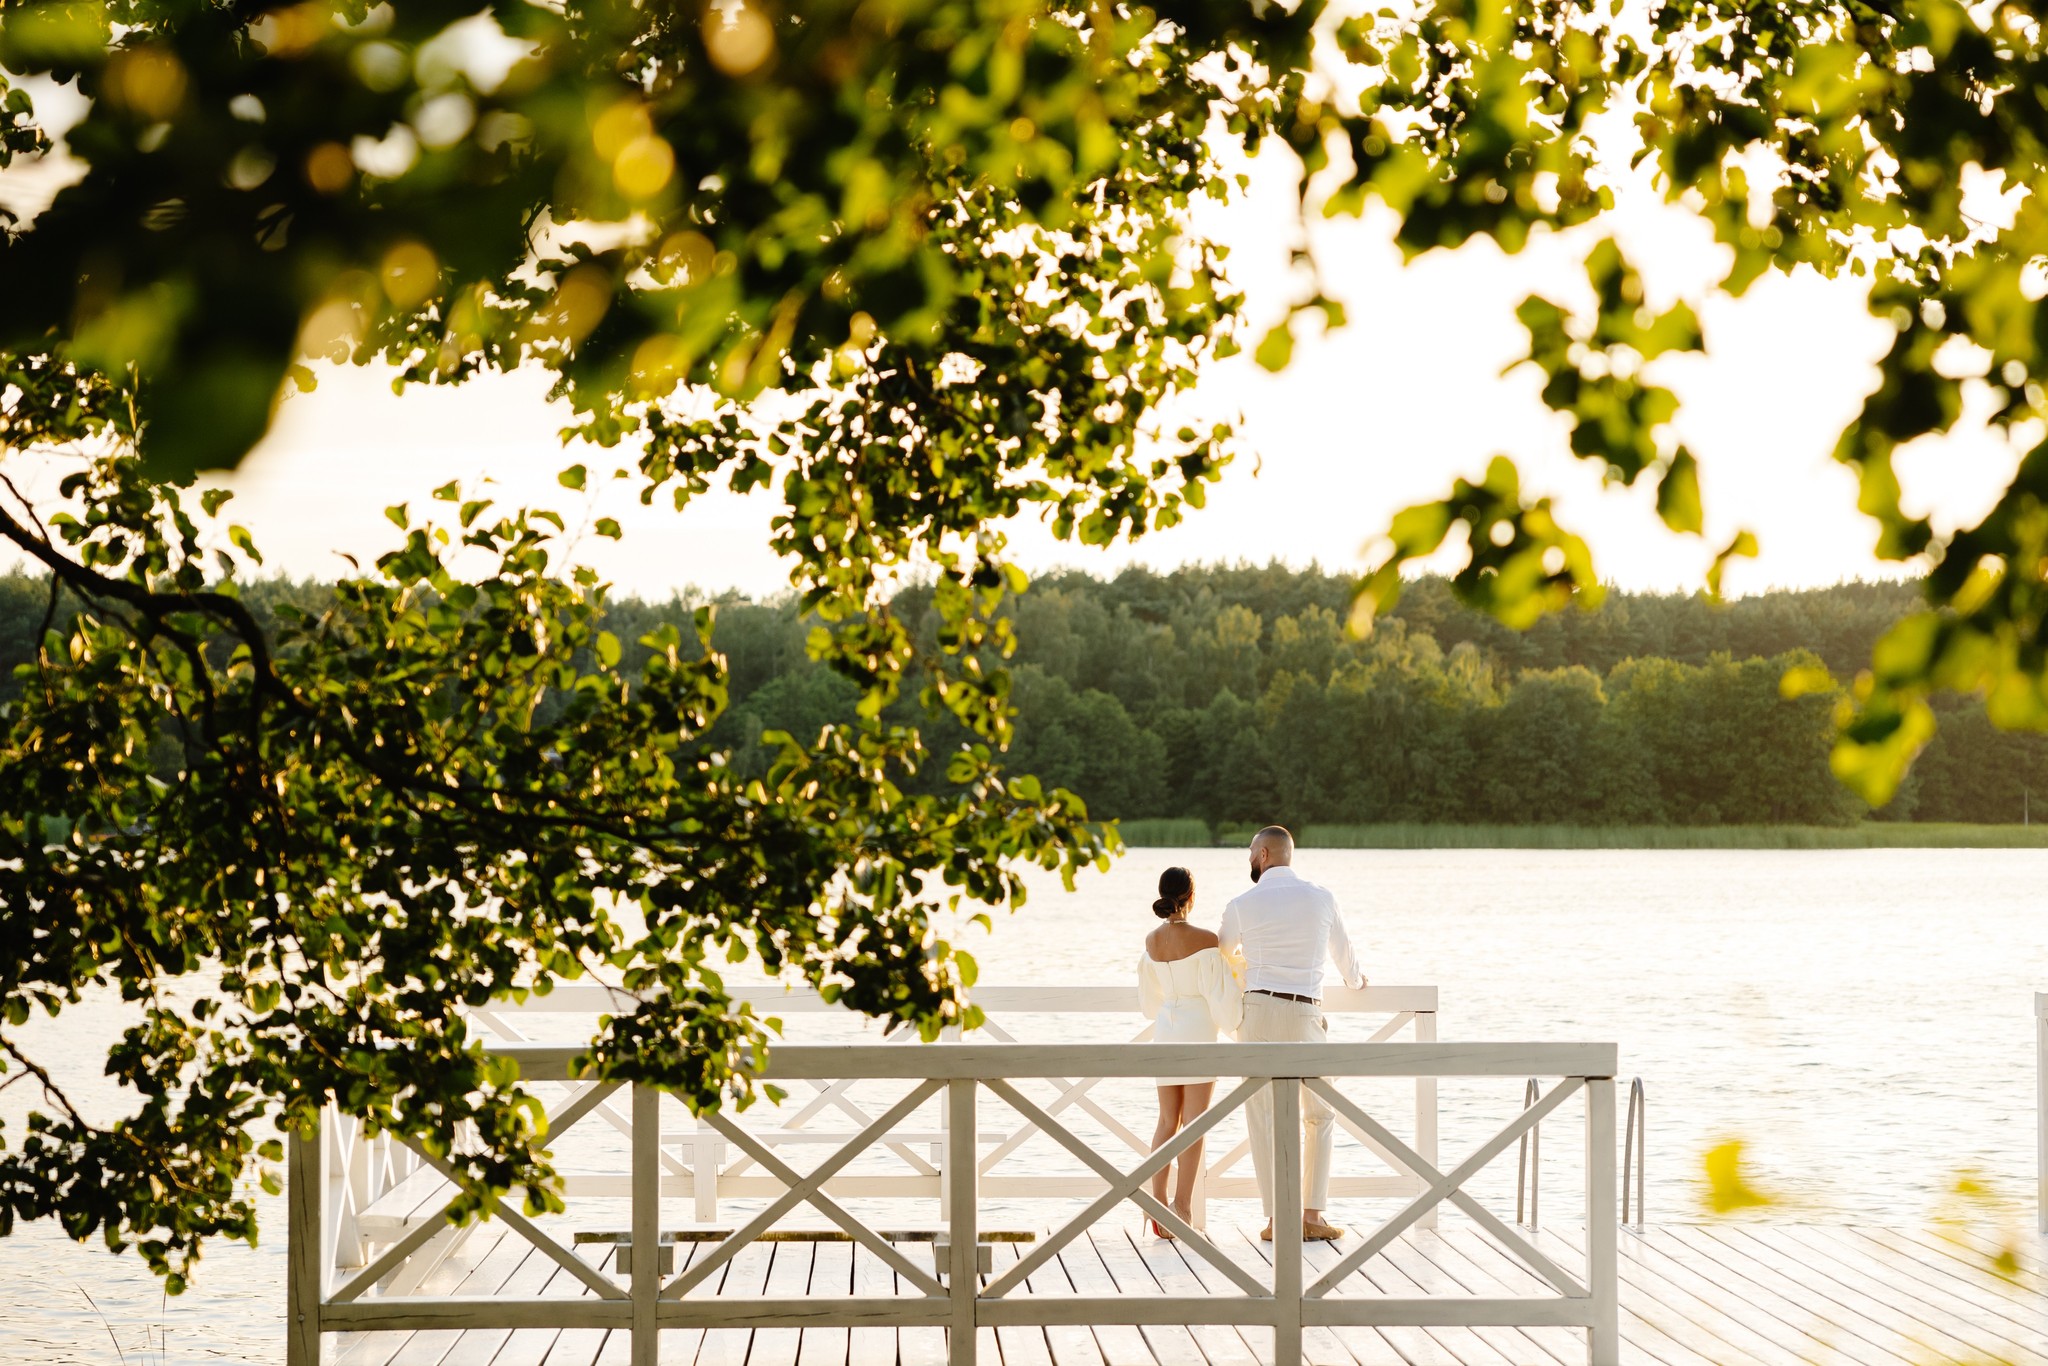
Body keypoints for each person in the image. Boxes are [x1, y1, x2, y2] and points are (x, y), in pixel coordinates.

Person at [1218, 825, 1365, 1242]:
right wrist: (1356, 982)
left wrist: (1249, 963)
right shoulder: (1321, 897)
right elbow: (1345, 957)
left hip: (1259, 1010)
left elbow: (1222, 951)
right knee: (1320, 1114)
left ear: (1264, 854)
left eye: (1250, 852)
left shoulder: (1242, 903)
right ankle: (1312, 1215)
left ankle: (1274, 1220)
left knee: (1263, 1116)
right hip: (1305, 1012)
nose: (1249, 859)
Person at [1137, 865, 1241, 1238]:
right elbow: (1221, 999)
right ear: (1191, 897)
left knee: (1167, 1120)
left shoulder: (1151, 942)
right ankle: (1182, 1207)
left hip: (1166, 1029)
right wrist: (1239, 1021)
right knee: (1194, 1126)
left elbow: (1149, 1004)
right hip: (1197, 1032)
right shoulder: (1206, 940)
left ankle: (1157, 1203)